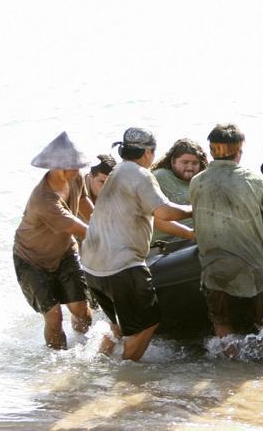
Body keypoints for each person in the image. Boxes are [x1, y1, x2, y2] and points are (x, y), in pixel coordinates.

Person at [190, 123, 263, 357]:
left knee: (221, 318)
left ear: (212, 151)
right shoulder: (254, 181)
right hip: (253, 266)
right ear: (238, 151)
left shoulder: (197, 182)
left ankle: (231, 358)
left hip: (215, 265)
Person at [81, 127, 193, 361]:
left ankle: (98, 366)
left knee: (118, 325)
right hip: (122, 267)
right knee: (148, 324)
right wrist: (197, 207)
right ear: (148, 153)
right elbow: (164, 211)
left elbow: (156, 219)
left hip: (93, 267)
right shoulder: (140, 175)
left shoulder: (118, 172)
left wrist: (192, 235)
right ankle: (124, 376)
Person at [13, 132, 94, 349]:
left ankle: (83, 349)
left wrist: (99, 220)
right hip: (32, 260)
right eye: (74, 167)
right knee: (54, 316)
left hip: (65, 252)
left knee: (82, 312)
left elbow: (84, 200)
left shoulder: (75, 178)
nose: (78, 171)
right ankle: (58, 365)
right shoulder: (44, 199)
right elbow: (80, 229)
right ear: (58, 168)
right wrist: (111, 235)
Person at [150, 138, 208, 243]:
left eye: (195, 163)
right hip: (168, 246)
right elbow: (155, 218)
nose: (190, 167)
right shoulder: (160, 177)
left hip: (198, 241)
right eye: (185, 162)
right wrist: (191, 234)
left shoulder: (203, 181)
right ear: (173, 161)